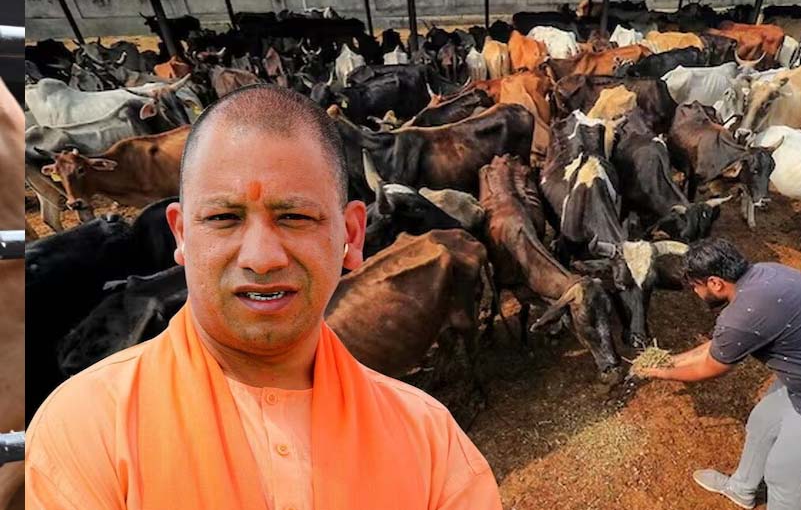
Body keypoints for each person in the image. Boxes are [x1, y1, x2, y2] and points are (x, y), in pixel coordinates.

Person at [25, 85, 503, 510]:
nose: (261, 257)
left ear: (352, 235)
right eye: (223, 218)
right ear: (181, 235)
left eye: (295, 217)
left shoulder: (429, 437)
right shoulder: (86, 430)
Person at [632, 238, 801, 510]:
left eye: (696, 286)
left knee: (784, 476)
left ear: (715, 283)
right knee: (763, 421)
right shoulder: (765, 272)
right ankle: (741, 489)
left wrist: (660, 373)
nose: (695, 292)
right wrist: (671, 360)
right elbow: (720, 345)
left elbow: (710, 367)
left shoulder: (742, 315)